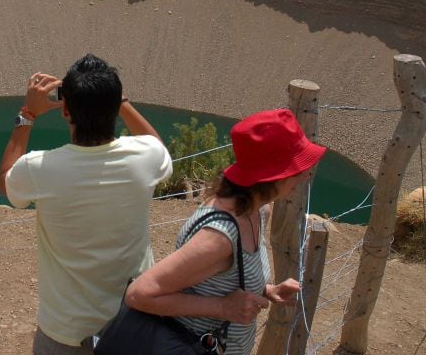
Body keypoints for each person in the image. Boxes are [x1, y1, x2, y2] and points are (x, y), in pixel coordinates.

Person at [0, 53, 173, 354]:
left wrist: (27, 114)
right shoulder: (145, 156)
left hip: (66, 331)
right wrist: (117, 100)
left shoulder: (40, 168)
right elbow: (156, 145)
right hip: (134, 322)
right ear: (116, 107)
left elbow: (5, 182)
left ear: (66, 110)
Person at [124, 109, 327, 355]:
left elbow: (221, 279)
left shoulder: (258, 211)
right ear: (271, 176)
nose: (305, 175)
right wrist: (222, 307)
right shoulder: (220, 237)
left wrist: (265, 290)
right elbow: (139, 295)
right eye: (296, 168)